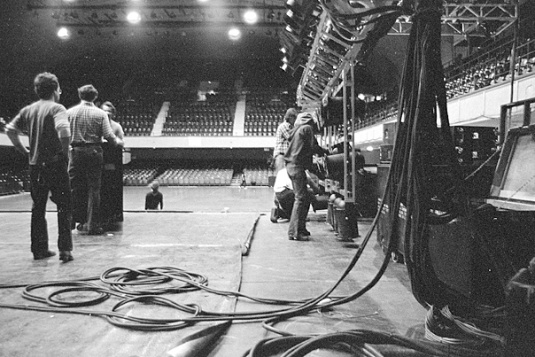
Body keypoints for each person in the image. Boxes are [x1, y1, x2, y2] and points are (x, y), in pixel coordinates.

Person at [5, 72, 74, 262]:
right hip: (55, 164)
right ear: (55, 89)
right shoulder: (57, 108)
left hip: (35, 165)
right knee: (64, 207)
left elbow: (10, 130)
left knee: (38, 207)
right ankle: (65, 250)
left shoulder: (28, 110)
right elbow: (64, 131)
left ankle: (39, 249)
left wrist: (25, 151)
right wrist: (65, 154)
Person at [67, 84, 123, 235]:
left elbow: (63, 134)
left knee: (74, 188)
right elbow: (109, 136)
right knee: (94, 189)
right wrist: (119, 143)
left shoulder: (70, 112)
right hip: (93, 152)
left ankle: (70, 222)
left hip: (75, 151)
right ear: (95, 97)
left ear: (80, 95)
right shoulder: (100, 114)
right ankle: (92, 225)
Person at [284, 112, 327, 241]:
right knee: (301, 198)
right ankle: (295, 232)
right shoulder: (306, 129)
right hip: (297, 167)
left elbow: (305, 152)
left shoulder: (296, 130)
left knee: (305, 198)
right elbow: (314, 147)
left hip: (292, 166)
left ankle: (299, 229)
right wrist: (327, 152)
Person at [273, 108, 298, 172]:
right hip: (281, 156)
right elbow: (291, 137)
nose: (295, 120)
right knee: (282, 175)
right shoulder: (283, 126)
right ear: (290, 117)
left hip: (286, 156)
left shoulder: (292, 127)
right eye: (294, 118)